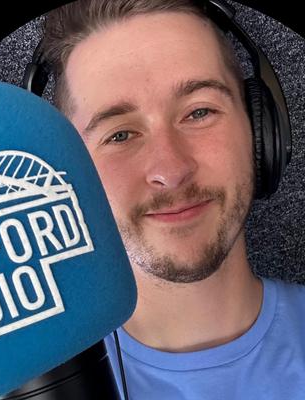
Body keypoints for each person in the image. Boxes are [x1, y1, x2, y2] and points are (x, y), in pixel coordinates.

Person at [34, 0, 305, 398]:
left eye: (199, 113)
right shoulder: (34, 382)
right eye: (120, 135)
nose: (171, 169)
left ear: (260, 129)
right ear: (70, 173)